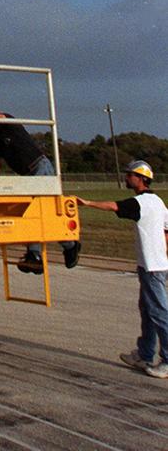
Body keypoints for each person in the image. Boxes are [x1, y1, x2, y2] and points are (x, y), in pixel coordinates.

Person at [77, 161, 168, 379]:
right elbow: (167, 229)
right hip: (155, 264)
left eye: (130, 175)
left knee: (159, 313)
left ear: (140, 178)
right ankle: (144, 354)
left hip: (153, 267)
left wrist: (87, 202)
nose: (127, 178)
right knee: (147, 310)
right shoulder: (158, 202)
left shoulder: (142, 203)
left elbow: (114, 206)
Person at [0, 96, 80, 274]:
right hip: (27, 176)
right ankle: (44, 252)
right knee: (34, 213)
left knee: (39, 211)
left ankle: (54, 249)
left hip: (40, 167)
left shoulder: (8, 123)